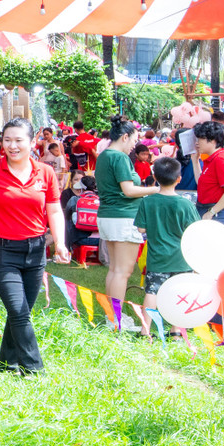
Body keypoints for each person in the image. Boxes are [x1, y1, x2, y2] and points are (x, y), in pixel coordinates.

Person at [0, 117, 68, 375]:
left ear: (32, 142)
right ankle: (35, 370)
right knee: (20, 311)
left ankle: (6, 364)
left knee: (20, 312)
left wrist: (60, 243)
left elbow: (54, 209)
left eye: (18, 140)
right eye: (7, 140)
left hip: (35, 251)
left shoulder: (44, 171)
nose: (12, 146)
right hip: (1, 251)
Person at [95, 116, 158, 314]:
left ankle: (111, 317)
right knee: (122, 272)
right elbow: (129, 190)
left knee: (114, 270)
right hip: (123, 217)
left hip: (108, 215)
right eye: (133, 140)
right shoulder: (119, 157)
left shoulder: (104, 155)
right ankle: (116, 319)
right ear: (124, 137)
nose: (133, 145)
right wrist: (155, 190)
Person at [134, 157, 198, 327]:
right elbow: (194, 230)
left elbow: (141, 229)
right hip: (181, 258)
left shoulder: (147, 201)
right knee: (180, 293)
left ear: (154, 177)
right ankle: (177, 330)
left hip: (157, 258)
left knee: (152, 292)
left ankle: (145, 330)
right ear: (179, 179)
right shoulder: (186, 204)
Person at [194, 120, 224, 232]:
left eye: (200, 139)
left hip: (216, 215)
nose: (197, 142)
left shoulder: (220, 159)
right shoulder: (213, 158)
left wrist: (211, 212)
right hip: (210, 212)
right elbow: (200, 182)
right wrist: (194, 160)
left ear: (213, 141)